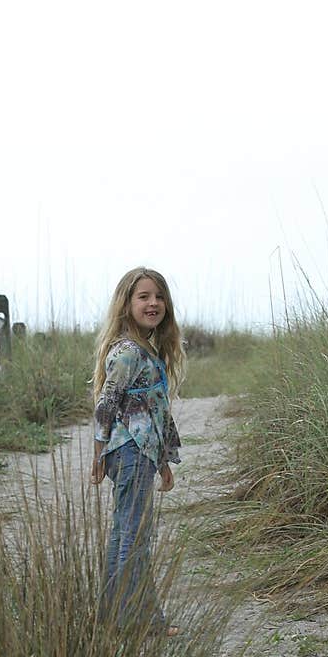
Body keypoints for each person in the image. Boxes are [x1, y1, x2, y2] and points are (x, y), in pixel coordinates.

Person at [90, 267, 186, 635]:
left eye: (158, 296)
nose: (153, 303)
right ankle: (136, 621)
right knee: (134, 536)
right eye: (143, 296)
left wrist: (162, 463)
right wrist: (99, 453)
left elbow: (155, 412)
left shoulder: (149, 351)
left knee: (124, 534)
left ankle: (114, 617)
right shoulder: (128, 352)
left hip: (140, 453)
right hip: (128, 452)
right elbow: (106, 403)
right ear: (126, 304)